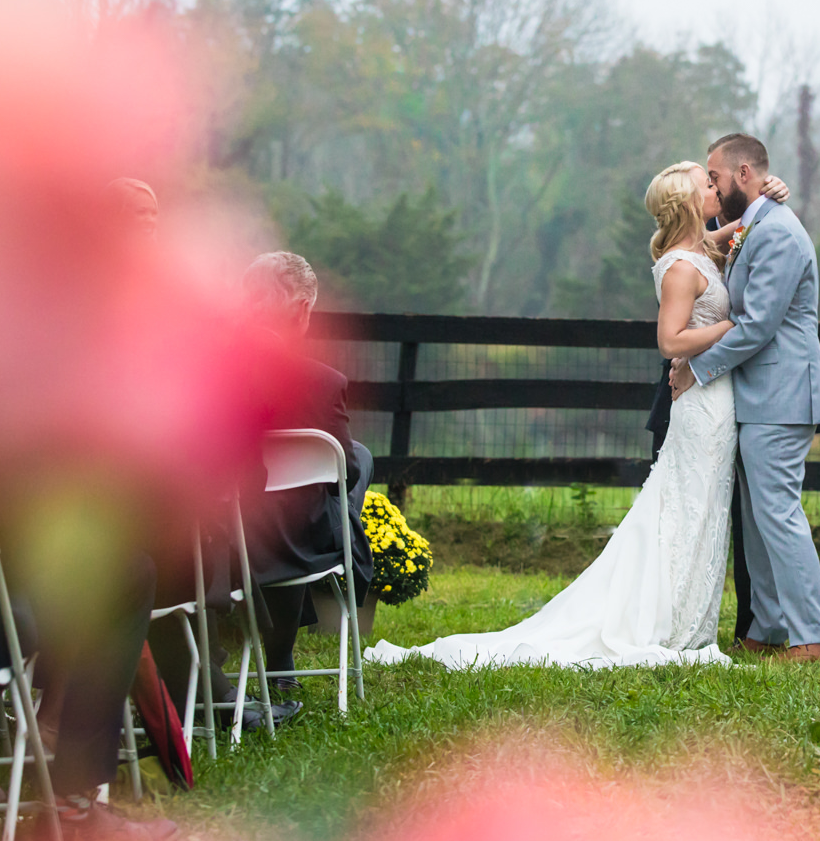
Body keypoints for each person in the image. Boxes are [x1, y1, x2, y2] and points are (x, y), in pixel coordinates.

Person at [368, 160, 744, 669]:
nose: (715, 188)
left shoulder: (703, 248)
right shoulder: (681, 266)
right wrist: (732, 328)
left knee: (702, 508)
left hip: (714, 399)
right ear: (687, 203)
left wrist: (766, 195)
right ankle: (663, 621)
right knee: (686, 508)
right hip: (700, 406)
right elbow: (669, 341)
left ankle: (688, 620)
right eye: (707, 184)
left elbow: (744, 227)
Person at [673, 134, 820, 662]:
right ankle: (765, 630)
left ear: (744, 174)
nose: (713, 188)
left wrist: (697, 368)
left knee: (778, 515)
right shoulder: (755, 226)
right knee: (760, 518)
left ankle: (816, 636)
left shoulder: (779, 235)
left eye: (716, 177)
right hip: (762, 395)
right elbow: (698, 240)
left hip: (782, 395)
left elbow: (757, 324)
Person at [237, 251, 375, 687]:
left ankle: (278, 662)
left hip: (219, 537)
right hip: (296, 543)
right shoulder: (321, 381)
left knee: (326, 479)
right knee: (351, 467)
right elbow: (347, 473)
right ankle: (280, 660)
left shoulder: (208, 374)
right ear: (301, 310)